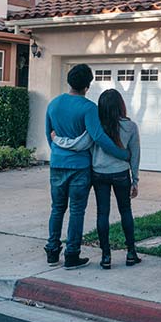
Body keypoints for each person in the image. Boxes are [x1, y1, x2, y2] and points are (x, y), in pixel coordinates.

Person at [44, 64, 130, 270]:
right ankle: (72, 255)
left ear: (69, 82)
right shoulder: (89, 108)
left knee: (57, 209)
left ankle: (52, 251)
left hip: (57, 164)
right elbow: (99, 137)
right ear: (87, 85)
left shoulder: (53, 104)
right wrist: (123, 154)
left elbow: (49, 135)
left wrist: (59, 154)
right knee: (76, 211)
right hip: (80, 167)